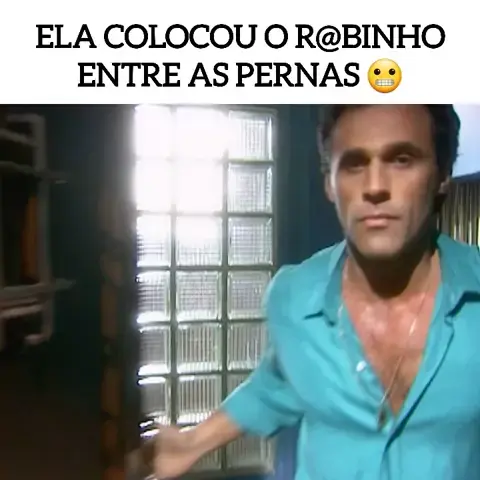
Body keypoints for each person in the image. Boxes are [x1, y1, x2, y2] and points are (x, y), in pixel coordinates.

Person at [147, 104, 480, 479]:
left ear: (442, 175)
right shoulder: (293, 296)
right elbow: (280, 383)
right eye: (354, 164)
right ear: (329, 184)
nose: (375, 187)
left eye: (402, 160)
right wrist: (191, 443)